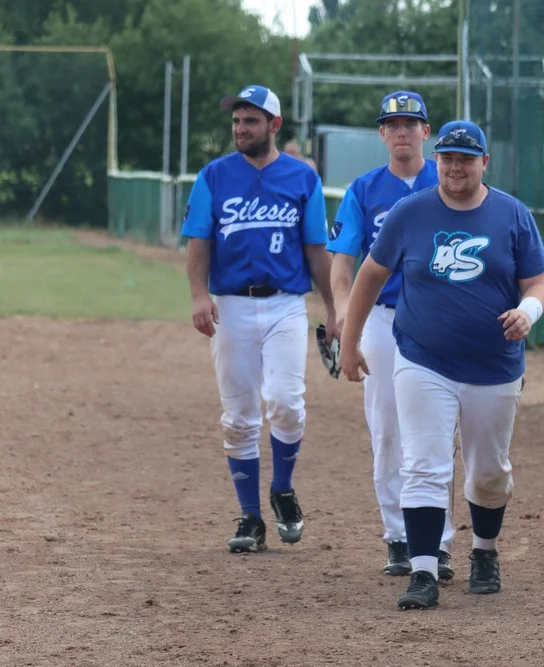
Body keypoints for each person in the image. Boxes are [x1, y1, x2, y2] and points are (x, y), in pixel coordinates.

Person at [339, 120, 544, 610]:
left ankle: (484, 551)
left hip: (494, 364)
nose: (455, 167)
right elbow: (370, 276)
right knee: (424, 464)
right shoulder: (410, 213)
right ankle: (423, 570)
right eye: (448, 158)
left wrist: (528, 311)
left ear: (484, 163)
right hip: (422, 359)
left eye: (465, 158)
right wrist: (349, 343)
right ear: (437, 161)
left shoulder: (512, 215)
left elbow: (538, 284)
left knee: (488, 472)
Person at [181, 84, 337, 554]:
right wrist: (198, 295)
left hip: (286, 303)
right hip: (231, 305)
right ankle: (250, 517)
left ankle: (282, 489)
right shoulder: (214, 176)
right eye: (235, 120)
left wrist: (333, 307)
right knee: (239, 415)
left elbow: (315, 248)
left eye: (250, 120)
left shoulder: (301, 179)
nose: (239, 128)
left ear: (274, 125)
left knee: (287, 401)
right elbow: (198, 241)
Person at [327, 91, 457, 579]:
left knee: (437, 432)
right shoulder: (364, 189)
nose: (402, 131)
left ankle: (438, 543)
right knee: (387, 431)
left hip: (440, 317)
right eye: (393, 124)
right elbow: (343, 261)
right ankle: (399, 537)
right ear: (382, 134)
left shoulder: (451, 176)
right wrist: (345, 316)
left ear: (427, 131)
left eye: (411, 123)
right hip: (382, 318)